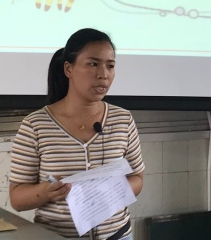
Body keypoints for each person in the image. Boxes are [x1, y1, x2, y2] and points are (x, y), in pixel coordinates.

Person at [9, 28, 145, 240]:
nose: (103, 74)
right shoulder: (36, 125)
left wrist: (109, 190)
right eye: (93, 64)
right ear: (68, 69)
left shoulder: (123, 119)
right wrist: (45, 192)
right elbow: (17, 198)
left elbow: (137, 178)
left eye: (110, 66)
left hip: (117, 235)